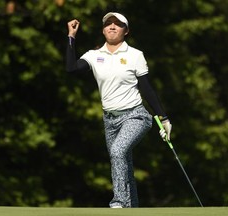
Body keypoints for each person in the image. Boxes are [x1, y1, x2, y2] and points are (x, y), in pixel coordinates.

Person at [66, 12, 172, 208]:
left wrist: (164, 118)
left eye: (118, 24)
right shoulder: (94, 55)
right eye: (108, 24)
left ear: (126, 31)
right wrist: (71, 36)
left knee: (117, 151)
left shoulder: (135, 55)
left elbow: (146, 88)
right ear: (103, 30)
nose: (112, 27)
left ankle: (119, 202)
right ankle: (132, 208)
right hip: (110, 120)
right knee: (123, 161)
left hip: (136, 115)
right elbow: (71, 69)